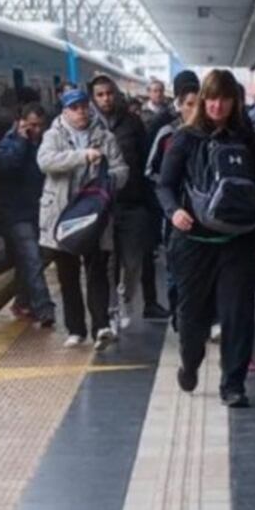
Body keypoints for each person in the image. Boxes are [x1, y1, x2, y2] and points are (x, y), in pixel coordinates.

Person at [156, 69, 255, 408]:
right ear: (203, 99)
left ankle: (233, 384)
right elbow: (164, 184)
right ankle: (190, 361)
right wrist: (172, 212)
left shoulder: (246, 139)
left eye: (224, 98)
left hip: (238, 242)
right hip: (193, 242)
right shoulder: (185, 138)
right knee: (193, 314)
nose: (217, 105)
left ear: (234, 102)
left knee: (238, 313)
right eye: (211, 98)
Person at [38, 88, 128, 350]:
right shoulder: (53, 136)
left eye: (84, 107)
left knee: (97, 270)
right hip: (63, 215)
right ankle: (75, 329)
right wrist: (81, 156)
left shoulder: (105, 137)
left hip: (95, 214)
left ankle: (100, 326)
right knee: (68, 275)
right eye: (75, 108)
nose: (81, 112)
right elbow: (45, 161)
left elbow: (122, 169)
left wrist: (109, 182)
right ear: (65, 112)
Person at [88, 74, 163, 330]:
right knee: (109, 261)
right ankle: (112, 310)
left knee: (133, 260)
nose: (105, 98)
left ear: (116, 94)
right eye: (100, 94)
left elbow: (145, 162)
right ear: (93, 98)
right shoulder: (87, 126)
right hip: (102, 205)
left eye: (109, 93)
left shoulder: (132, 123)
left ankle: (127, 297)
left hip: (132, 201)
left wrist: (149, 201)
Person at [0, 103, 57, 327]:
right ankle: (44, 308)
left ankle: (22, 300)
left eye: (40, 126)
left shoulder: (47, 144)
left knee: (35, 259)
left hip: (39, 210)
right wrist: (21, 141)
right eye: (32, 126)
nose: (36, 130)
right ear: (21, 124)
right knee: (32, 258)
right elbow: (4, 168)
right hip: (15, 212)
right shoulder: (9, 144)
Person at [146, 77, 200, 325]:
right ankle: (178, 310)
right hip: (175, 212)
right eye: (189, 104)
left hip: (203, 213)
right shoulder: (167, 133)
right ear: (179, 105)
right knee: (175, 263)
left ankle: (201, 314)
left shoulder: (212, 135)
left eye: (199, 103)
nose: (195, 109)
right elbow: (150, 170)